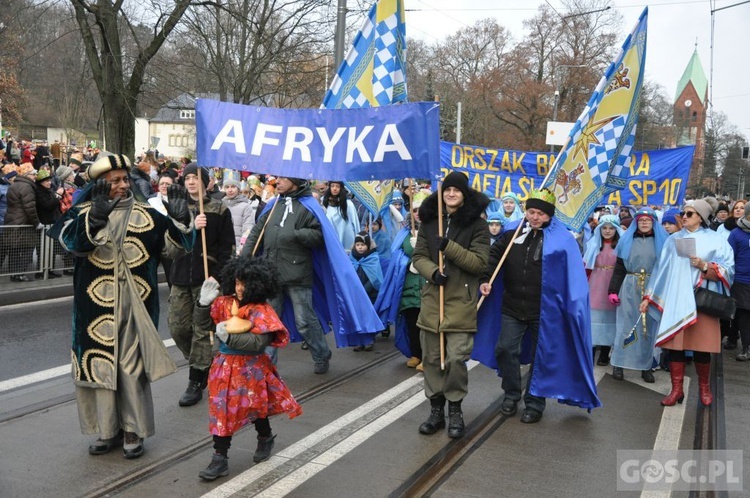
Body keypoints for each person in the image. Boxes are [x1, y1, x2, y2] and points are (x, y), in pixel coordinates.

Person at [46, 153, 198, 458]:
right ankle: (108, 430)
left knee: (131, 368)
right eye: (114, 181)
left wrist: (182, 220)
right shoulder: (81, 213)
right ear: (100, 185)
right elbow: (69, 245)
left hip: (136, 306)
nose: (122, 184)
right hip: (94, 310)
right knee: (100, 366)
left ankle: (133, 429)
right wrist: (96, 217)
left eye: (125, 179)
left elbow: (177, 249)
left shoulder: (149, 215)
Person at [478, 189, 601, 424]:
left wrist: (572, 306)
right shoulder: (512, 231)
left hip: (544, 311)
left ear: (549, 216)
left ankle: (534, 403)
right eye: (531, 211)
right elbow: (494, 256)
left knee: (541, 357)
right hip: (512, 305)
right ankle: (512, 394)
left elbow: (572, 275)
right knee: (505, 349)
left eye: (541, 214)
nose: (535, 217)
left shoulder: (563, 239)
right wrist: (486, 278)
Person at [241, 176, 383, 372]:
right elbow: (256, 233)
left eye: (283, 179)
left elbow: (318, 235)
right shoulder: (273, 205)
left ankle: (321, 354)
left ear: (295, 182)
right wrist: (243, 261)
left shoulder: (308, 206)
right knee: (269, 321)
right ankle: (267, 364)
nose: (278, 183)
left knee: (305, 321)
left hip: (297, 273)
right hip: (270, 272)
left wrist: (295, 234)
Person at [193, 258, 302, 480]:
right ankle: (219, 458)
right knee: (221, 412)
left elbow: (257, 344)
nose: (239, 288)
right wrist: (202, 305)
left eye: (244, 283)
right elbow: (202, 324)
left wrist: (228, 338)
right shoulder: (223, 303)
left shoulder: (262, 311)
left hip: (251, 369)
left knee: (256, 409)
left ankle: (265, 437)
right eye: (236, 282)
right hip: (223, 368)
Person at [412, 172, 490, 438]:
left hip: (461, 303)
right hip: (433, 301)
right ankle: (436, 409)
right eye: (447, 190)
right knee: (432, 359)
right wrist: (433, 272)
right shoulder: (430, 222)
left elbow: (479, 263)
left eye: (456, 190)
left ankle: (455, 408)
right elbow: (419, 256)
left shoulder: (478, 226)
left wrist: (450, 247)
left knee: (456, 358)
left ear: (464, 193)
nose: (451, 194)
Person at [643, 200, 735, 406]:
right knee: (675, 347)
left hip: (701, 301)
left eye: (690, 214)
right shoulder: (673, 239)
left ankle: (704, 389)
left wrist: (704, 266)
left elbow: (729, 268)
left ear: (701, 217)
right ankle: (676, 390)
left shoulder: (716, 240)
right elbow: (661, 269)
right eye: (684, 213)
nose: (684, 216)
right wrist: (649, 296)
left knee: (701, 347)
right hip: (676, 300)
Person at [169, 163, 236, 407]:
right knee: (177, 327)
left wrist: (217, 277)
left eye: (195, 178)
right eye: (186, 178)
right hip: (179, 277)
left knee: (200, 330)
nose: (190, 182)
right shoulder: (177, 208)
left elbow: (228, 248)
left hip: (205, 280)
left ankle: (196, 379)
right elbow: (168, 245)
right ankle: (202, 362)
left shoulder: (219, 209)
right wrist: (187, 227)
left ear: (206, 182)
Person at [607, 208, 667, 383]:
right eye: (641, 220)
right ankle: (619, 363)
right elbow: (619, 269)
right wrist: (612, 290)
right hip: (630, 286)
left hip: (652, 287)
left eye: (648, 220)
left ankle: (646, 366)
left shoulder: (662, 242)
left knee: (648, 327)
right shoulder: (627, 241)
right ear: (636, 222)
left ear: (654, 223)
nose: (645, 223)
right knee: (625, 325)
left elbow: (665, 269)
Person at [375, 189, 430, 370]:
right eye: (414, 210)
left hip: (427, 284)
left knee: (427, 323)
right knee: (410, 321)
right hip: (407, 284)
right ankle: (416, 353)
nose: (417, 214)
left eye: (420, 210)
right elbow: (397, 256)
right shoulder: (405, 232)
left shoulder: (434, 230)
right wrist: (407, 263)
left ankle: (428, 358)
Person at [583, 215, 623, 366]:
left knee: (610, 320)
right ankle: (591, 351)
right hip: (595, 284)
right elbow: (586, 265)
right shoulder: (593, 244)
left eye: (611, 228)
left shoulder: (621, 245)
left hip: (613, 283)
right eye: (604, 228)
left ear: (616, 229)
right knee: (594, 319)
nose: (607, 231)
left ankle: (605, 353)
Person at [2, 163, 39, 281]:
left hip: (12, 220)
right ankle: (20, 274)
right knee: (28, 248)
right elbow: (30, 208)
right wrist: (36, 223)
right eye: (33, 174)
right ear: (28, 175)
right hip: (23, 222)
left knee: (14, 249)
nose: (35, 176)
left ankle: (14, 274)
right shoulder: (27, 187)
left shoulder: (14, 185)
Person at [350, 232, 383, 351]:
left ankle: (369, 339)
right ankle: (359, 340)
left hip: (369, 294)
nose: (360, 247)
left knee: (368, 317)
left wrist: (364, 290)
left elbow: (375, 277)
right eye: (358, 244)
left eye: (363, 245)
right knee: (357, 317)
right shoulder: (352, 258)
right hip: (356, 294)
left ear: (368, 246)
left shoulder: (373, 258)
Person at [221, 172, 256, 253]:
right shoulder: (221, 205)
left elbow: (248, 229)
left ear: (238, 188)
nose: (230, 190)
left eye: (233, 187)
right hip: (223, 250)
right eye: (227, 187)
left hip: (237, 250)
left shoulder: (246, 207)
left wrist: (241, 248)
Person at [322, 181, 359, 251]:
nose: (334, 189)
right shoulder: (324, 203)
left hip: (347, 242)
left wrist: (358, 240)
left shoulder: (349, 204)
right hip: (330, 241)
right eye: (332, 186)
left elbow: (356, 224)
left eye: (337, 186)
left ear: (341, 188)